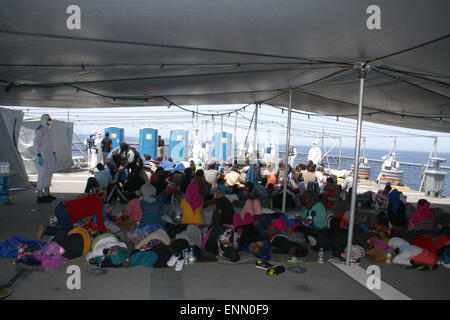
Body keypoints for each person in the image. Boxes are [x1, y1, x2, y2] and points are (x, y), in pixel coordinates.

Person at [37, 190, 107, 239]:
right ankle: (46, 229)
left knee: (65, 230)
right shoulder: (99, 203)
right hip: (65, 211)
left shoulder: (90, 197)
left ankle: (47, 229)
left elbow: (85, 218)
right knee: (69, 233)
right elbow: (100, 223)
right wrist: (106, 233)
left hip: (60, 207)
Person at [34, 114, 57, 203]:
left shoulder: (49, 130)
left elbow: (51, 144)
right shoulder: (40, 130)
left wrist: (54, 153)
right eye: (48, 120)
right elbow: (36, 143)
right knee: (42, 175)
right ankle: (40, 195)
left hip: (49, 156)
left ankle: (47, 193)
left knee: (49, 174)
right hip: (42, 155)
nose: (49, 121)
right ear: (44, 120)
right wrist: (38, 155)